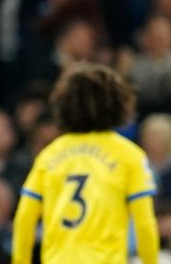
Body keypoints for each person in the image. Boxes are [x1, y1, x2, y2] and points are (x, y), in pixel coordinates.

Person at [12, 64, 159, 264]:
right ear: (118, 104)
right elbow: (144, 223)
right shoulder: (129, 155)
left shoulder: (49, 155)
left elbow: (24, 218)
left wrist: (20, 261)